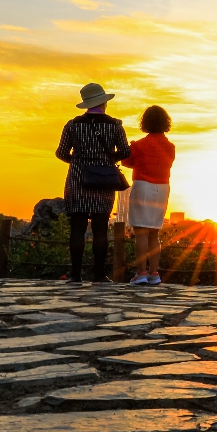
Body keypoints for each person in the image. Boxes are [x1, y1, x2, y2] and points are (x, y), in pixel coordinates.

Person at [55, 83, 131, 283]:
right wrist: (107, 160)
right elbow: (125, 152)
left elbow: (61, 153)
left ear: (86, 103)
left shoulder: (72, 125)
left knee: (77, 228)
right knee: (100, 228)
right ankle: (99, 275)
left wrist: (78, 161)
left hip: (78, 179)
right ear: (104, 102)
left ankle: (76, 275)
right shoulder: (115, 126)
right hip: (104, 180)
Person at [120, 105, 175, 285]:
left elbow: (126, 161)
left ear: (145, 123)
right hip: (163, 188)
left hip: (143, 186)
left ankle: (141, 272)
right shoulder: (170, 147)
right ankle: (154, 273)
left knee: (141, 233)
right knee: (154, 233)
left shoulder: (140, 145)